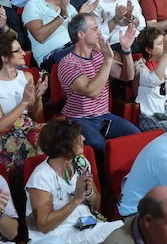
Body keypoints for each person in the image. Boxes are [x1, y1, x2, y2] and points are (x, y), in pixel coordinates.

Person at [25, 119, 123, 244]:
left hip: (89, 227)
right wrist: (76, 199)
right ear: (64, 146)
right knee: (117, 242)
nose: (83, 138)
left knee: (125, 233)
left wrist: (89, 193)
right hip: (60, 237)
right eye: (78, 137)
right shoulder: (41, 177)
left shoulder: (81, 163)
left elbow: (96, 206)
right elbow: (44, 225)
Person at [56, 15, 140, 155]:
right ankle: (99, 176)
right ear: (81, 34)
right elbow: (92, 92)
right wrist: (107, 60)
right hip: (79, 118)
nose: (99, 32)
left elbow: (127, 76)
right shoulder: (68, 63)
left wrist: (126, 50)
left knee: (135, 135)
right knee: (98, 145)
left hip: (103, 115)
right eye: (95, 29)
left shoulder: (99, 54)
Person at [0, 31, 48, 178]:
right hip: (5, 133)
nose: (23, 53)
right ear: (4, 57)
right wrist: (24, 102)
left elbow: (35, 116)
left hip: (28, 126)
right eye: (17, 51)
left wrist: (39, 97)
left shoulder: (27, 76)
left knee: (56, 136)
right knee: (35, 141)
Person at [22, 0, 78, 68]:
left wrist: (83, 15)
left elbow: (80, 31)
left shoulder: (69, 7)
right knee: (86, 49)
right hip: (50, 55)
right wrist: (62, 16)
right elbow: (40, 36)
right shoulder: (33, 5)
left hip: (73, 46)